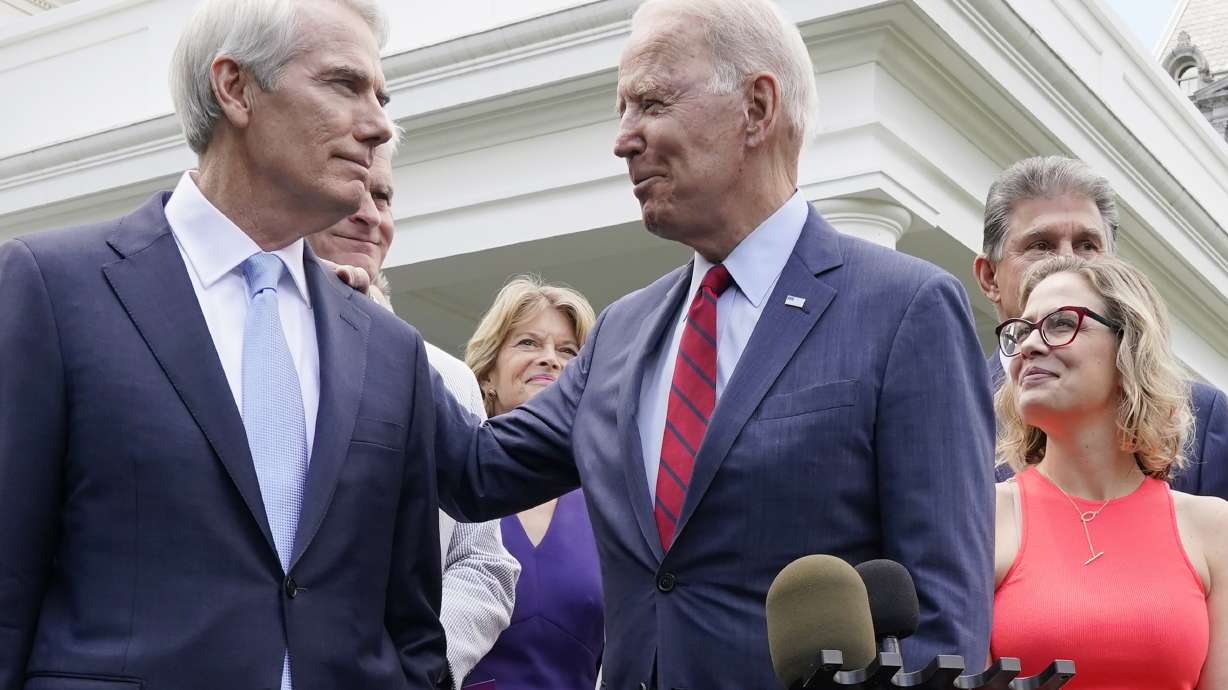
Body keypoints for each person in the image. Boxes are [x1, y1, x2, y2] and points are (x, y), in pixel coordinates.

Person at [426, 0, 996, 686]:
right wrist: (344, 312)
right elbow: (473, 472)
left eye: (652, 102)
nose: (623, 138)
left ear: (757, 107)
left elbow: (945, 612)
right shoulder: (620, 333)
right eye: (622, 110)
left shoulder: (905, 309)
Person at [0, 0, 457, 688]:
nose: (377, 125)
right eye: (344, 85)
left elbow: (412, 620)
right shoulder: (52, 289)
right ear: (236, 87)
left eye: (381, 97)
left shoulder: (391, 350)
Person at [305, 135, 520, 690]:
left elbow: (483, 564)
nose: (370, 217)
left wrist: (415, 669)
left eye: (383, 197)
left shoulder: (447, 379)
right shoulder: (239, 348)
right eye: (351, 195)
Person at [990, 255, 1227, 688]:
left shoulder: (1214, 529)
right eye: (1021, 331)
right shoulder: (982, 517)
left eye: (1061, 323)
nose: (1027, 346)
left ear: (1128, 346)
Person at [973, 155, 1228, 497]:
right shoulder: (948, 415)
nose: (1068, 260)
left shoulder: (1200, 415)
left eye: (1087, 245)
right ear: (990, 277)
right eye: (1040, 245)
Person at [461, 277, 603, 690]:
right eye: (527, 343)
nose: (550, 360)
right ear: (488, 375)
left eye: (568, 351)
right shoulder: (449, 486)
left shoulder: (608, 498)